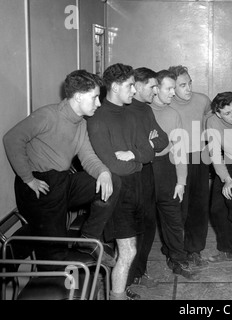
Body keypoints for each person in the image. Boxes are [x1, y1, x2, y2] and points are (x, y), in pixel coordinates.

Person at [3, 69, 119, 268]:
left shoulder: (80, 123)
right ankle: (12, 262)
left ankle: (88, 239)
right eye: (94, 98)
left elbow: (88, 156)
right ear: (78, 96)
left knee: (113, 181)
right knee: (54, 255)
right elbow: (12, 139)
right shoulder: (48, 115)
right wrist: (28, 178)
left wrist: (104, 172)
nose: (99, 103)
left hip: (61, 182)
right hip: (39, 186)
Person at [87, 63, 154, 300]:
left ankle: (117, 290)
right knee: (128, 251)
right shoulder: (97, 119)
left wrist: (134, 155)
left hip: (136, 188)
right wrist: (137, 161)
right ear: (115, 87)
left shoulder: (131, 113)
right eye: (130, 86)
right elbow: (113, 165)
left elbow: (149, 152)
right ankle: (117, 296)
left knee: (127, 250)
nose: (134, 91)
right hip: (117, 192)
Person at [126, 67, 169, 293]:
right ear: (138, 86)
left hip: (146, 172)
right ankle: (126, 280)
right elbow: (127, 148)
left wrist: (147, 145)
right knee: (130, 230)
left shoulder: (145, 109)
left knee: (148, 224)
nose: (156, 90)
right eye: (152, 86)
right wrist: (147, 145)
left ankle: (139, 273)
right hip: (129, 175)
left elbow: (163, 139)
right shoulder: (123, 109)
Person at [150, 69, 196, 279]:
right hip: (143, 168)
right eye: (168, 89)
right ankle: (137, 270)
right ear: (155, 88)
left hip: (166, 168)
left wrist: (181, 181)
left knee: (173, 218)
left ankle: (177, 259)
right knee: (145, 222)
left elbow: (179, 150)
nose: (172, 93)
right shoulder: (141, 110)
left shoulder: (172, 113)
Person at [168, 65, 212, 268]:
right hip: (177, 159)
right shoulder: (167, 103)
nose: (188, 88)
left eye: (190, 83)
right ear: (172, 87)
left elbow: (213, 123)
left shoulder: (202, 100)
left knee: (199, 206)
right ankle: (174, 250)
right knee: (178, 209)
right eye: (182, 85)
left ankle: (194, 249)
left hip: (200, 158)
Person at [205, 92, 232, 262]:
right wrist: (227, 179)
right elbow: (215, 154)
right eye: (227, 113)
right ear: (218, 113)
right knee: (216, 208)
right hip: (229, 161)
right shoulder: (212, 121)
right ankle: (227, 248)